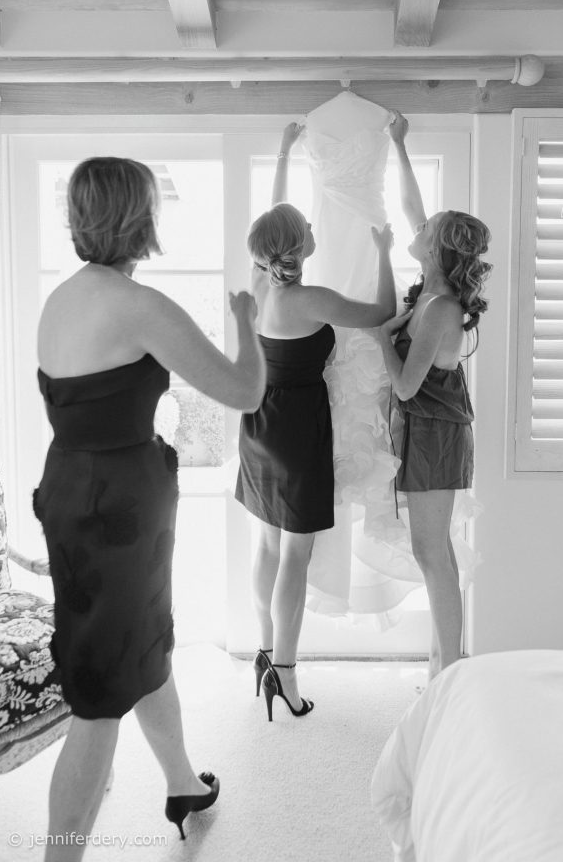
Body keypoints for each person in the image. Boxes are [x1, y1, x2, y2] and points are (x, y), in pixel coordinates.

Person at [33, 157, 265, 859]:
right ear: (139, 218)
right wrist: (246, 320)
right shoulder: (137, 305)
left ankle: (183, 784)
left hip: (74, 492)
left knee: (141, 646)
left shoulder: (62, 298)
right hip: (117, 514)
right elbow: (243, 391)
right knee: (101, 694)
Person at [236, 122, 396, 720]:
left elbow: (271, 222)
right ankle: (286, 672)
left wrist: (279, 154)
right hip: (298, 431)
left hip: (258, 424)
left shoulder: (257, 285)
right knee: (295, 556)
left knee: (267, 542)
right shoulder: (312, 299)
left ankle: (265, 649)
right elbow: (381, 310)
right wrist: (381, 252)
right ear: (302, 248)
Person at [374, 114, 492, 679]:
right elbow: (410, 208)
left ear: (436, 250)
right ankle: (445, 663)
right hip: (428, 431)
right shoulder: (431, 288)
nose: (417, 229)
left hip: (438, 435)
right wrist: (399, 146)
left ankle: (450, 670)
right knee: (433, 550)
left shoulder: (441, 308)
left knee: (431, 551)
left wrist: (379, 339)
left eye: (429, 228)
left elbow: (403, 384)